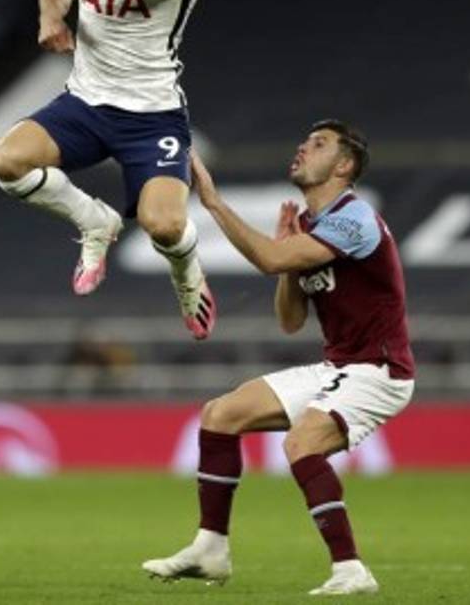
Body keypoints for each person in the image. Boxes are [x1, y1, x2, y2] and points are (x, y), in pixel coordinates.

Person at [142, 120, 415, 596]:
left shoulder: (355, 218)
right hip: (340, 367)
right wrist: (291, 263)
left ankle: (351, 570)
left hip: (379, 370)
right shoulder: (310, 226)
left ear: (344, 165)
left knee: (301, 444)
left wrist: (213, 203)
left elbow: (268, 258)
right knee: (221, 415)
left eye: (319, 144)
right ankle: (210, 549)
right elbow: (290, 320)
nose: (303, 148)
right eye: (305, 141)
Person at [0, 0, 217, 339]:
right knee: (8, 162)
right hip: (86, 103)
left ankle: (188, 277)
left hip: (152, 115)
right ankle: (95, 221)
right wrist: (50, 18)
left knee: (164, 226)